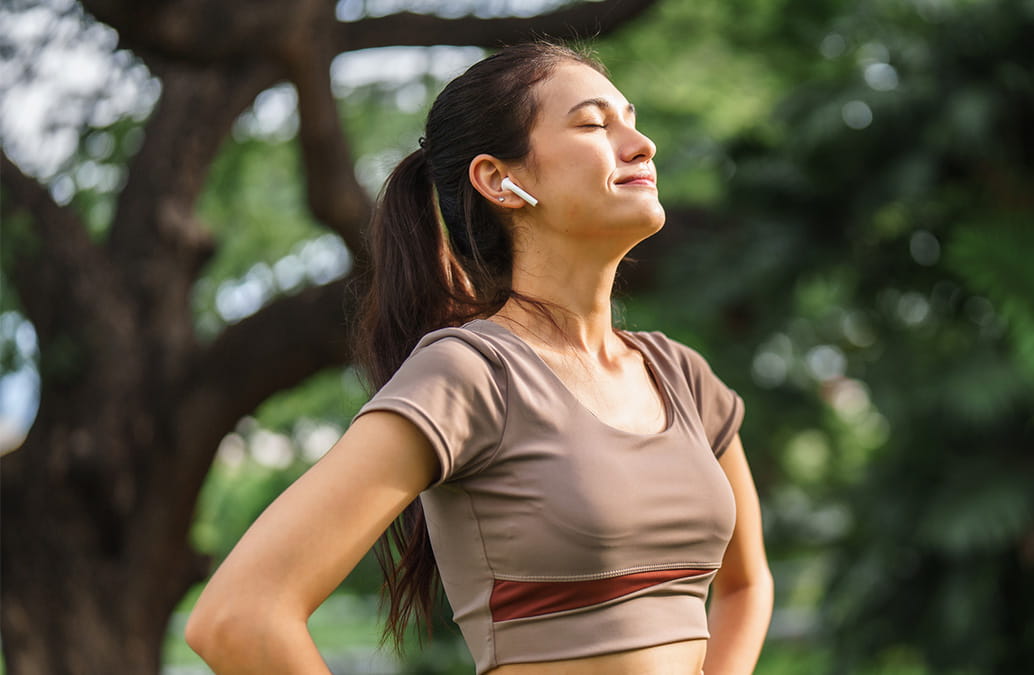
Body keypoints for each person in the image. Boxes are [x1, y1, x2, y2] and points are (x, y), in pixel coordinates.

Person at [185, 42, 773, 675]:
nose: (641, 144)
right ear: (499, 180)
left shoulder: (683, 377)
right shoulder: (470, 375)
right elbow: (239, 616)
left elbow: (745, 585)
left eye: (631, 120)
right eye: (593, 124)